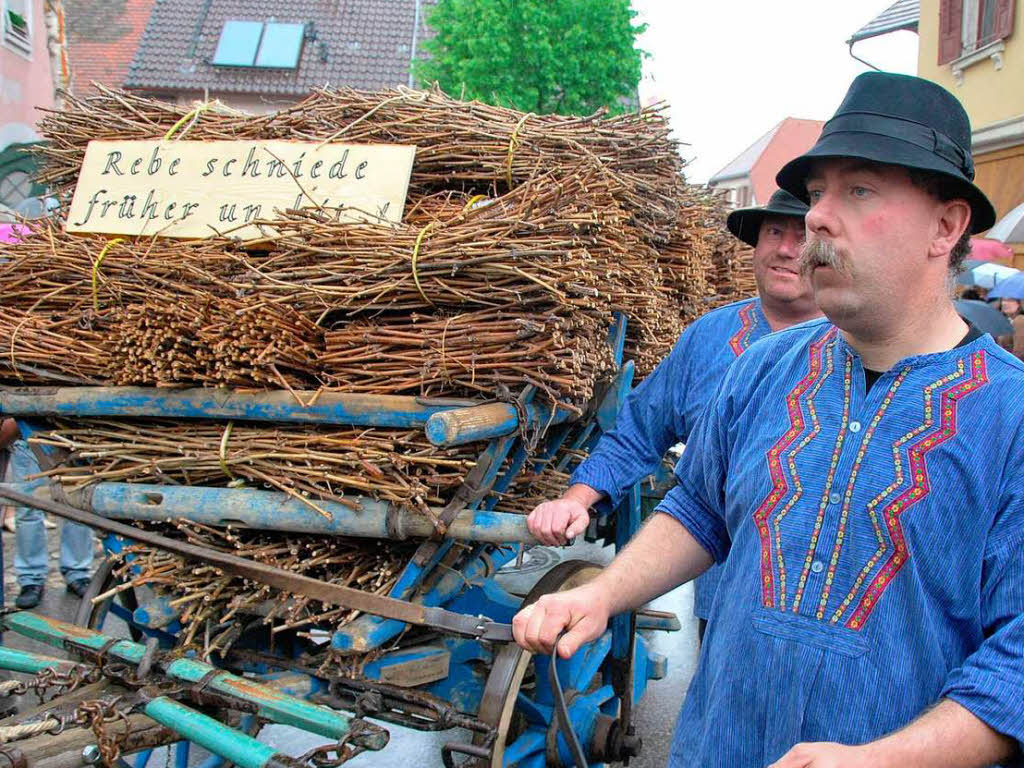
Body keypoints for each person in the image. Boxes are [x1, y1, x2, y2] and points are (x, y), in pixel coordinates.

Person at [513, 72, 1024, 767]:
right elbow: (700, 507)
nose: (816, 216)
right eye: (817, 194)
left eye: (859, 189)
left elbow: (1016, 665)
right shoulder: (763, 368)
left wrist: (877, 759)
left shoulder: (1012, 417)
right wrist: (604, 593)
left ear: (946, 225)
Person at [526, 188, 821, 640]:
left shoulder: (857, 344)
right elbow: (639, 432)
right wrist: (576, 499)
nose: (784, 249)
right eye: (773, 232)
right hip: (723, 594)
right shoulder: (709, 337)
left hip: (823, 606)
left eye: (801, 236)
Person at [3, 421, 93, 609]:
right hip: (28, 435)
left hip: (72, 433)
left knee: (78, 505)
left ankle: (77, 572)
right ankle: (31, 578)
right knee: (27, 508)